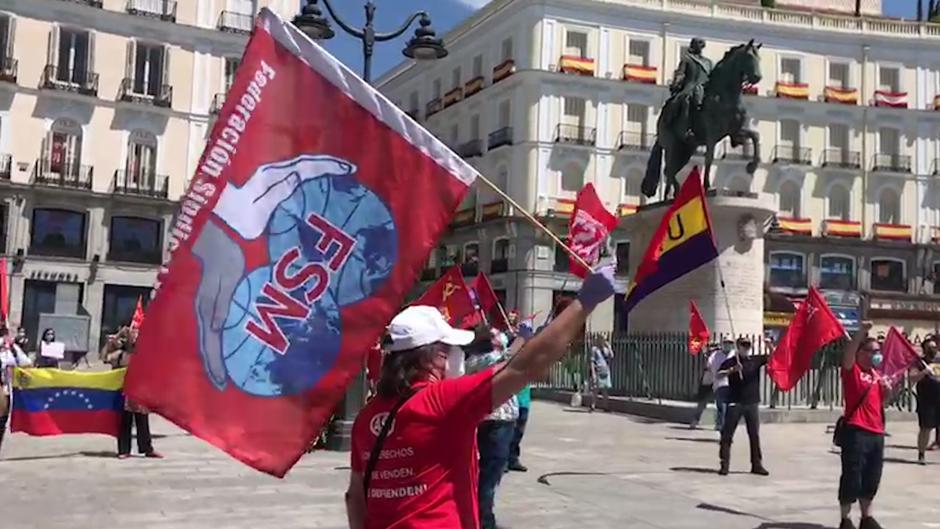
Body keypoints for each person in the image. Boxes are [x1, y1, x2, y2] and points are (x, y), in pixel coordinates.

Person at [344, 265, 615, 529]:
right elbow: (524, 367)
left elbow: (355, 497)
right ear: (435, 355)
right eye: (451, 349)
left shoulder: (367, 417)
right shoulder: (441, 402)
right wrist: (584, 303)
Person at [838, 321, 891, 529]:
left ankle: (867, 517)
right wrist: (861, 333)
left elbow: (882, 404)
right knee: (852, 475)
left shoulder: (876, 376)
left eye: (878, 351)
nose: (876, 355)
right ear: (861, 353)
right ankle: (846, 518)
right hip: (856, 431)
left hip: (876, 432)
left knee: (872, 476)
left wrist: (887, 391)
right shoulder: (853, 371)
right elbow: (848, 355)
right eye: (872, 351)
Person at [466, 327, 518, 529]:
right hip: (496, 421)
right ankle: (483, 519)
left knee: (489, 472)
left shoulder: (476, 359)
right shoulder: (483, 359)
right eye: (497, 334)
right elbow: (511, 359)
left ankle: (481, 514)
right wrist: (523, 338)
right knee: (489, 473)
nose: (502, 337)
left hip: (495, 420)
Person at [101, 326, 162, 460]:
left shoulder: (145, 354)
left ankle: (146, 448)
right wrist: (114, 339)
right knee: (125, 422)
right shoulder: (121, 354)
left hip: (140, 393)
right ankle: (124, 450)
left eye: (137, 336)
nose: (135, 339)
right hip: (124, 393)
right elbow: (104, 357)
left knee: (143, 421)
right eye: (132, 336)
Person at [718, 337, 769, 476]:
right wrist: (733, 370)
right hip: (735, 402)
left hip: (751, 403)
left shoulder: (754, 360)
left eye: (748, 345)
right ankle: (724, 464)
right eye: (743, 345)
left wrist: (769, 345)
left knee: (754, 435)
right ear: (738, 346)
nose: (746, 348)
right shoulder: (731, 362)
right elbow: (718, 375)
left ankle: (757, 464)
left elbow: (774, 357)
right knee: (727, 434)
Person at [668, 37, 713, 140]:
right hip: (690, 86)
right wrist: (676, 82)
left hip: (705, 88)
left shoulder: (708, 62)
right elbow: (680, 73)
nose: (700, 46)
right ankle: (686, 127)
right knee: (686, 100)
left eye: (701, 44)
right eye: (698, 44)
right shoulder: (687, 59)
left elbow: (712, 76)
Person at [0, 326, 32, 454]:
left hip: (6, 391)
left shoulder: (12, 349)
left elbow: (26, 362)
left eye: (4, 333)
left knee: (1, 424)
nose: (4, 336)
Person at [910, 335, 940, 465]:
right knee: (925, 428)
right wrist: (924, 372)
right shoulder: (918, 362)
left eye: (934, 347)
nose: (933, 349)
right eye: (930, 347)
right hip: (927, 401)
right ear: (924, 349)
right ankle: (921, 454)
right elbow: (912, 378)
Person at [708, 338, 736, 431]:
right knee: (721, 406)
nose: (728, 345)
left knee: (729, 408)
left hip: (732, 385)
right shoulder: (716, 355)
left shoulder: (735, 355)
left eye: (730, 343)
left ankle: (725, 427)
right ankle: (721, 425)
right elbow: (709, 366)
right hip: (719, 384)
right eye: (726, 343)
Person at [689, 351, 715, 429]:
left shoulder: (728, 356)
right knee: (702, 403)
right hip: (707, 381)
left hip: (721, 382)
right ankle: (695, 420)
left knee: (722, 403)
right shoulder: (706, 359)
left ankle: (721, 423)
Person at [589, 335, 614, 412]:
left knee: (605, 390)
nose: (603, 341)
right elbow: (592, 361)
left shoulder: (606, 350)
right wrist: (593, 372)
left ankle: (605, 406)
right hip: (598, 370)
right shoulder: (594, 349)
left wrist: (609, 347)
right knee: (596, 389)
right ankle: (593, 406)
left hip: (605, 370)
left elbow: (612, 356)